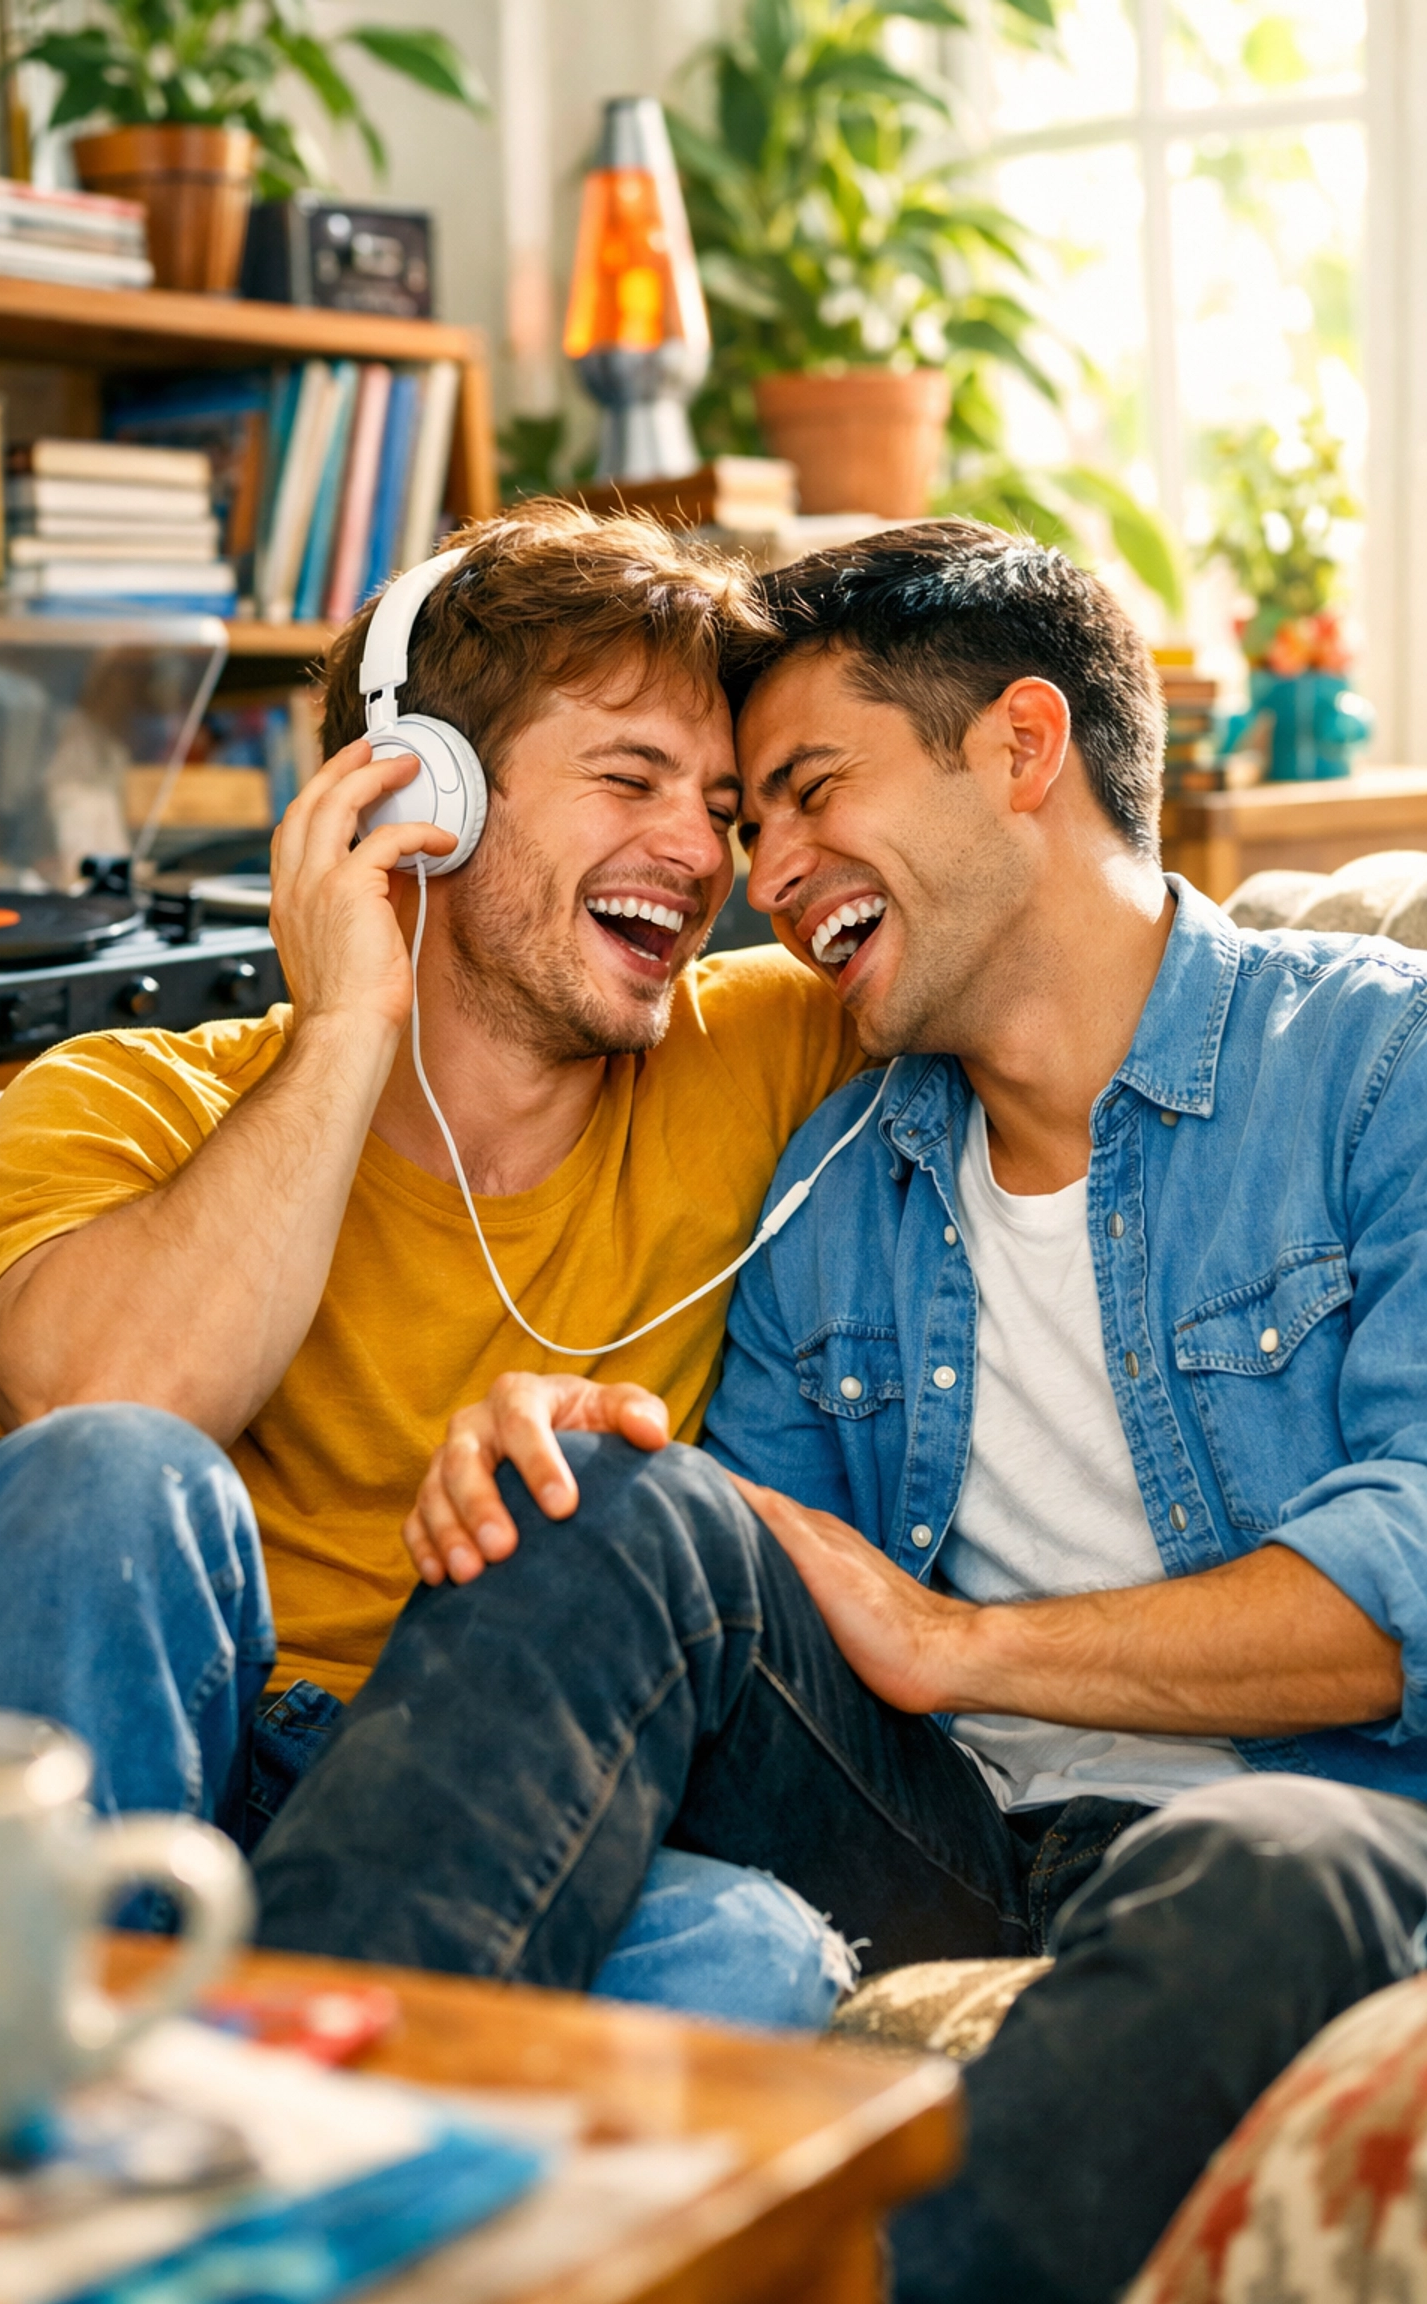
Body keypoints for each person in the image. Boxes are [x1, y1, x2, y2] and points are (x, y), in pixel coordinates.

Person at [249, 520, 1427, 2303]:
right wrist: (579, 1472)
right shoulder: (842, 1179)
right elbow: (754, 1631)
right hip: (949, 1838)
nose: (763, 874)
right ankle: (242, 2201)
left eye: (804, 793)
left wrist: (956, 1643)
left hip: (1307, 1830)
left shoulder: (1374, 1070)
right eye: (748, 826)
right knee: (591, 1484)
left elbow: (1408, 1577)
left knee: (1272, 1856)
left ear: (1022, 751)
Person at [0, 501, 869, 2026]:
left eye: (724, 808)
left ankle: (220, 2105)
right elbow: (121, 1400)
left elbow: (1012, 932)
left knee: (743, 1950)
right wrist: (350, 1024)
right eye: (631, 779)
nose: (699, 855)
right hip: (185, 1767)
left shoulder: (769, 1038)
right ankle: (18, 2091)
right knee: (101, 1474)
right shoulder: (124, 1098)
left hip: (510, 1788)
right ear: (428, 794)